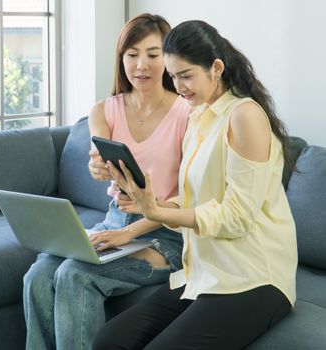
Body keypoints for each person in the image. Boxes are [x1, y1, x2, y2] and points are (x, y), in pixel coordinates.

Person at [94, 20, 298, 350]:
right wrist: (152, 205)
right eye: (172, 76)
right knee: (109, 340)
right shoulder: (199, 114)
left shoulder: (244, 115)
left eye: (186, 75)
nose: (178, 85)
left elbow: (237, 217)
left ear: (216, 68)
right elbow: (192, 198)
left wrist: (161, 212)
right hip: (204, 271)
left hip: (253, 278)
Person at [22, 13, 191, 350]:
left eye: (153, 55)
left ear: (168, 59)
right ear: (121, 58)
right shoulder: (105, 109)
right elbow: (100, 156)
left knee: (75, 275)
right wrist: (97, 166)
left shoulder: (188, 114)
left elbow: (191, 199)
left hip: (166, 236)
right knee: (37, 276)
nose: (141, 65)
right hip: (115, 220)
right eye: (132, 55)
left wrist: (129, 232)